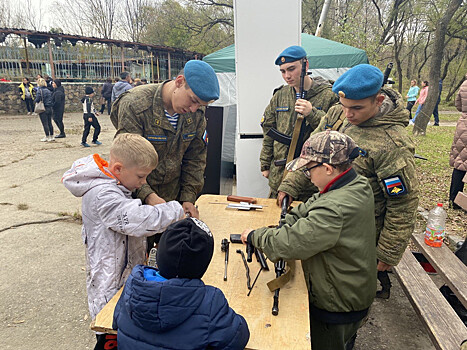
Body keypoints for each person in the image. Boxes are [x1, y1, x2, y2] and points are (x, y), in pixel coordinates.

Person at [278, 64, 420, 300]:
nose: (348, 115)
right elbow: (312, 151)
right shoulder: (337, 114)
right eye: (344, 106)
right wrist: (290, 184)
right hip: (329, 216)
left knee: (345, 296)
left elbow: (403, 203)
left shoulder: (392, 144)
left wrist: (387, 251)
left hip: (361, 233)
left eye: (356, 108)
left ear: (379, 100)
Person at [241, 131, 376, 350]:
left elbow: (290, 244)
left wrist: (256, 236)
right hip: (351, 288)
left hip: (337, 303)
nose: (308, 176)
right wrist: (287, 222)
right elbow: (310, 206)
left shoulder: (335, 207)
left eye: (309, 170)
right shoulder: (352, 184)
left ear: (328, 168)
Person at [62, 133, 185, 350]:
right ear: (118, 169)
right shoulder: (103, 195)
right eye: (141, 176)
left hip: (123, 275)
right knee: (110, 330)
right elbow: (137, 220)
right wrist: (176, 210)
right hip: (110, 281)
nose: (143, 182)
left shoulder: (116, 185)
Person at [113, 217, 250, 350]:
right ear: (203, 265)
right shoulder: (210, 302)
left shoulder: (133, 285)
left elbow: (115, 324)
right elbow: (238, 338)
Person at [110, 60, 219, 223]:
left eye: (200, 105)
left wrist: (188, 197)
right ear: (179, 82)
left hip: (174, 199)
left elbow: (195, 159)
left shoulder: (196, 114)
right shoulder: (136, 105)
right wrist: (148, 196)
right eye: (193, 100)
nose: (194, 109)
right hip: (136, 202)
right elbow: (126, 161)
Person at [260, 45, 339, 200]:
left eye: (291, 69)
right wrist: (265, 163)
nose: (287, 76)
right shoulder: (280, 95)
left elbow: (336, 134)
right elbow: (269, 130)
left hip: (311, 180)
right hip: (280, 175)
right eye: (283, 71)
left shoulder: (328, 95)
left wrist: (312, 113)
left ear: (305, 65)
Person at [449, 73, 467, 210]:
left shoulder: (464, 84)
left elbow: (458, 104)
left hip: (463, 124)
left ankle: (453, 199)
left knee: (460, 163)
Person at [35, 78, 55, 142]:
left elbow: (38, 99)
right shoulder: (48, 90)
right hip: (49, 107)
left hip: (43, 108)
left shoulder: (39, 90)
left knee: (45, 123)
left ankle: (47, 136)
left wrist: (35, 101)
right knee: (50, 123)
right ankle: (52, 136)